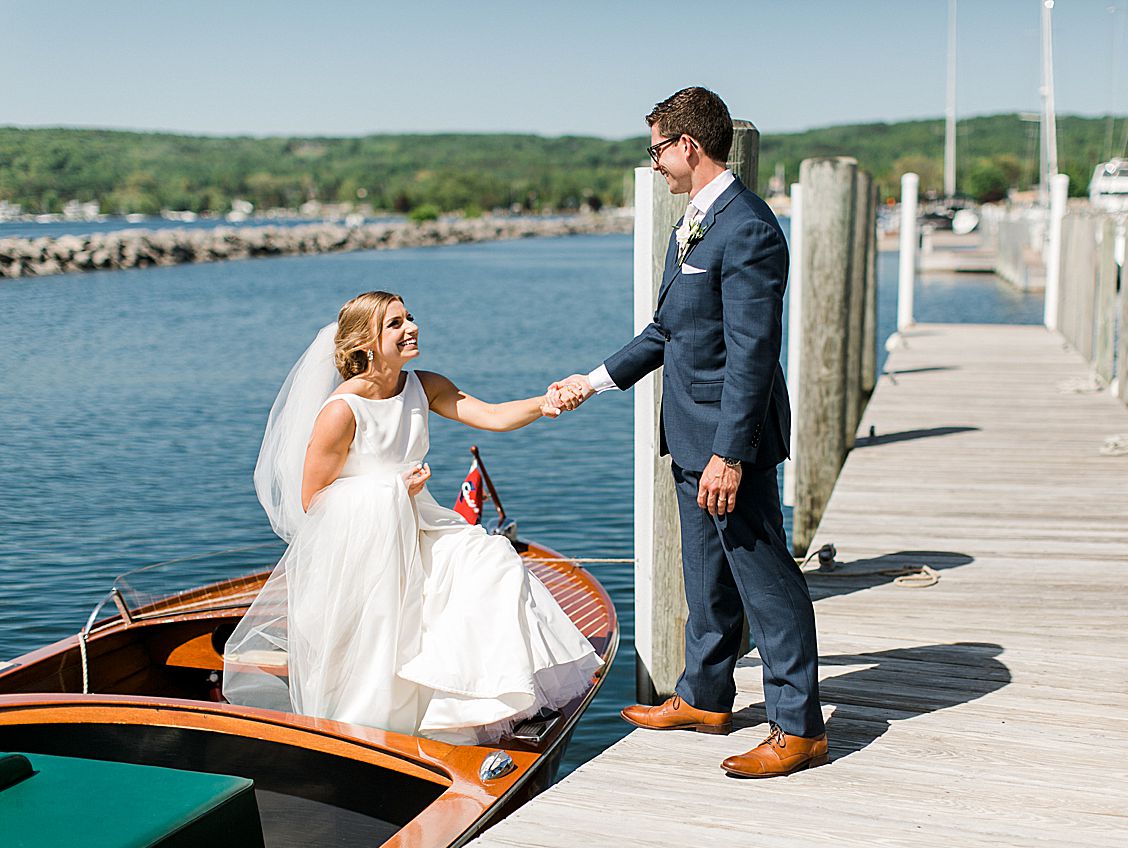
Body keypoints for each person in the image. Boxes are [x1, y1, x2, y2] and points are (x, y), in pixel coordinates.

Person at [553, 87, 827, 778]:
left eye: (656, 152)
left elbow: (754, 353)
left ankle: (798, 726)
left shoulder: (749, 228)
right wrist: (591, 381)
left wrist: (730, 455)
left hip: (730, 443)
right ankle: (705, 696)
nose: (655, 168)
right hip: (689, 433)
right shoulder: (697, 223)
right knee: (704, 577)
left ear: (688, 146)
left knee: (766, 584)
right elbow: (667, 332)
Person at [223, 290, 600, 745]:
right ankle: (377, 734)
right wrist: (391, 490)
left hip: (422, 523)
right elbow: (313, 499)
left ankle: (468, 708)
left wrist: (545, 402)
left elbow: (493, 415)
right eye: (395, 324)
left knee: (492, 560)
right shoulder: (342, 411)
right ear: (366, 342)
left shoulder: (425, 385)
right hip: (365, 541)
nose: (411, 328)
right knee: (386, 645)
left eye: (410, 318)